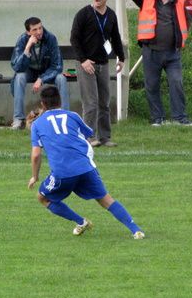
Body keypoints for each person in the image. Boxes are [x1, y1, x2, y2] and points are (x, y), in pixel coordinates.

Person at [27, 85, 145, 240]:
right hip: (85, 168)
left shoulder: (37, 123)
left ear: (42, 104)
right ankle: (136, 230)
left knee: (43, 197)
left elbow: (36, 155)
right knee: (106, 199)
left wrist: (34, 177)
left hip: (62, 173)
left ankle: (81, 221)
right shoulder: (73, 115)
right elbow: (87, 134)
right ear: (60, 100)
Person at [122, 0, 192, 126]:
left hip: (172, 52)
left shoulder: (178, 1)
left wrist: (181, 38)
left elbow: (187, 21)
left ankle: (180, 117)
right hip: (151, 52)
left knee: (176, 83)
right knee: (152, 86)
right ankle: (157, 118)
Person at [70, 0, 125, 148]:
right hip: (87, 64)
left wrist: (120, 58)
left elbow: (115, 37)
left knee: (104, 103)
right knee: (91, 103)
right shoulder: (83, 14)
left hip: (103, 63)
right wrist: (83, 60)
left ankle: (105, 137)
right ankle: (89, 137)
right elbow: (74, 39)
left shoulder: (111, 15)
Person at [10, 17, 69, 130]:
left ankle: (64, 116)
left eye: (40, 28)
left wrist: (41, 78)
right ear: (28, 32)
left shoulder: (50, 38)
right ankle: (18, 119)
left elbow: (57, 66)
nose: (39, 32)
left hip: (47, 72)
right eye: (35, 29)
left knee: (61, 78)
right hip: (29, 72)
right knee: (19, 77)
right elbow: (17, 67)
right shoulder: (22, 40)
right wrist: (27, 48)